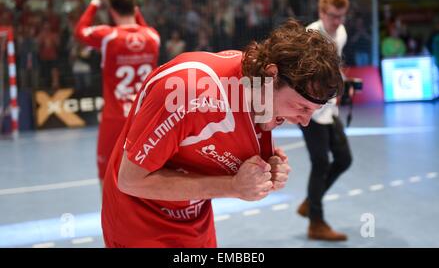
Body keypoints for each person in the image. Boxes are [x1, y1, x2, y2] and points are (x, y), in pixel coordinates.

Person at [101, 19, 344, 248]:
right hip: (139, 225)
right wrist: (233, 186)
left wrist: (267, 170)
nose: (304, 121)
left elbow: (217, 151)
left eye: (313, 111)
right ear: (272, 75)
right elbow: (130, 181)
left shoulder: (259, 95)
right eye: (301, 107)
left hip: (195, 222)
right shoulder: (187, 92)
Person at [75, 0, 160, 189]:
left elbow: (80, 31)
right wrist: (134, 2)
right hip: (143, 118)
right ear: (134, 8)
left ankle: (110, 220)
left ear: (112, 12)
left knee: (106, 176)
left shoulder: (109, 36)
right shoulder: (152, 37)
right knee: (145, 173)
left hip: (115, 118)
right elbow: (143, 27)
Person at [297, 0, 353, 241]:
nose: (338, 21)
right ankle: (316, 223)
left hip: (329, 107)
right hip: (308, 108)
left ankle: (311, 200)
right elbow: (303, 76)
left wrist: (344, 83)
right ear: (322, 13)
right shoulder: (311, 37)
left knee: (343, 159)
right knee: (320, 162)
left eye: (341, 16)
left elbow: (335, 67)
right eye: (333, 16)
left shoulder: (341, 33)